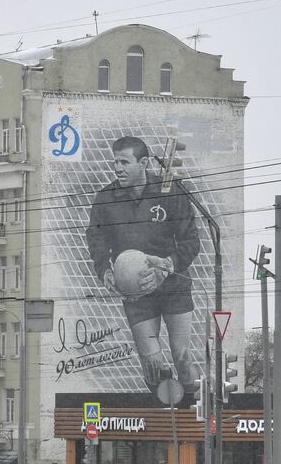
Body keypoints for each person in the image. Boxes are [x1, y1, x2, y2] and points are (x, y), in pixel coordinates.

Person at [85, 136, 201, 393]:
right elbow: (96, 238)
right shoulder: (106, 198)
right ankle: (166, 415)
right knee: (152, 362)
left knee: (182, 356)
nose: (117, 168)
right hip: (135, 290)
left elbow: (191, 241)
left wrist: (167, 266)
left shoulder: (171, 191)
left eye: (124, 162)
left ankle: (193, 416)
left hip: (173, 286)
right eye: (115, 162)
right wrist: (104, 269)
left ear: (144, 163)